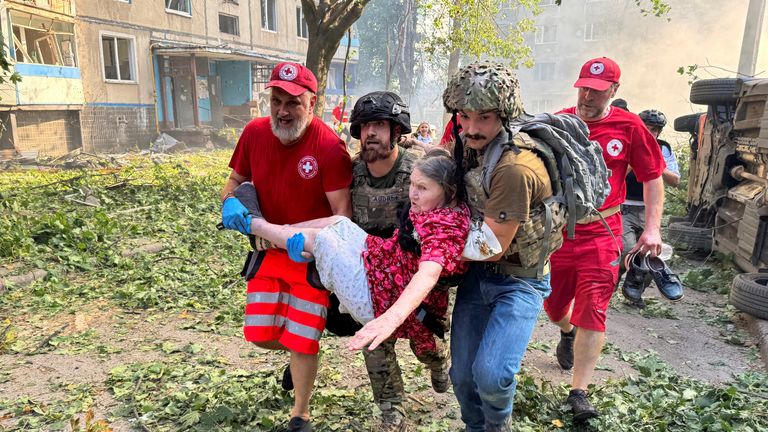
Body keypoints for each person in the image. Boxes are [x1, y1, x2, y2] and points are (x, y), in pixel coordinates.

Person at [227, 152, 469, 364]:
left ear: (449, 191)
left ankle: (255, 224)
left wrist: (389, 319)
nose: (413, 194)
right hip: (380, 266)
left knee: (325, 242)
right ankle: (273, 233)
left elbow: (428, 274)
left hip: (379, 298)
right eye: (413, 184)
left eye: (423, 188)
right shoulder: (434, 205)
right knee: (339, 224)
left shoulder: (444, 230)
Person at [219, 62, 352, 432]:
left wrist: (322, 251)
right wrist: (229, 201)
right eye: (277, 100)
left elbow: (343, 215)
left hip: (307, 256)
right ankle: (300, 355)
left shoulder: (328, 147)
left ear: (313, 104)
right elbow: (233, 182)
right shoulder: (254, 133)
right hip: (267, 251)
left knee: (302, 338)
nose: (283, 110)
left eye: (293, 103)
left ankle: (301, 414)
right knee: (260, 334)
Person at [442, 62, 563, 431]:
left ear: (504, 115)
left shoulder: (515, 167)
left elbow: (491, 245)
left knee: (491, 375)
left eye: (485, 117)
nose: (472, 128)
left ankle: (497, 425)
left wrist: (432, 246)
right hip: (478, 275)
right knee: (462, 376)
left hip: (519, 280)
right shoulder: (469, 146)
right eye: (465, 116)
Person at [544, 57, 666, 421]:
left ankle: (578, 392)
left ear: (614, 90)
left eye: (596, 91)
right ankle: (566, 332)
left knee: (593, 308)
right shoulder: (561, 122)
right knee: (553, 306)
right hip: (564, 231)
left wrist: (652, 227)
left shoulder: (630, 127)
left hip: (604, 231)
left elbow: (653, 176)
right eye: (583, 87)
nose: (587, 97)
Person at [346, 91, 449, 431]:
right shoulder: (353, 172)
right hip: (373, 271)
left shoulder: (418, 167)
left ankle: (438, 363)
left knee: (427, 344)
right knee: (374, 341)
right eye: (364, 126)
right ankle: (391, 410)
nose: (370, 133)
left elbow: (449, 213)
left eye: (378, 125)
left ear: (395, 130)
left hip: (416, 273)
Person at [621, 109, 682, 306]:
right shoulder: (625, 144)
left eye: (655, 129)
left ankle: (635, 292)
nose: (650, 132)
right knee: (626, 250)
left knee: (651, 254)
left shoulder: (663, 149)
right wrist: (634, 159)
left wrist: (655, 164)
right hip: (625, 207)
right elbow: (615, 176)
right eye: (647, 127)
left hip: (649, 210)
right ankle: (607, 289)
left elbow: (675, 180)